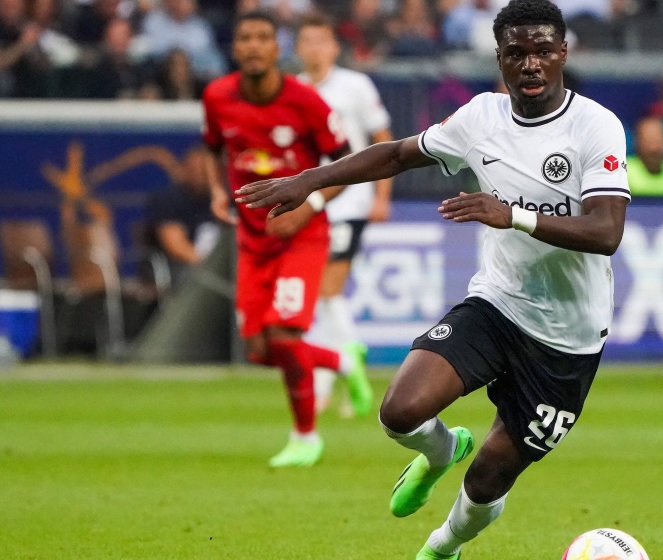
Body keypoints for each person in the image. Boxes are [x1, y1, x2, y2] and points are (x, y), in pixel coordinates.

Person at [235, 1, 630, 557]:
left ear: (563, 53)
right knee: (399, 412)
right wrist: (309, 180)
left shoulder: (595, 126)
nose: (531, 64)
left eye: (543, 51)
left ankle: (442, 548)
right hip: (498, 305)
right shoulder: (480, 119)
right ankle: (442, 451)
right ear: (499, 59)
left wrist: (511, 215)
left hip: (568, 337)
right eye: (516, 53)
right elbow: (397, 155)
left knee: (489, 477)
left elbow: (606, 230)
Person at [201, 10, 370, 468]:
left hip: (302, 236)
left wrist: (309, 206)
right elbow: (212, 148)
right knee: (260, 351)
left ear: (277, 48)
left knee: (284, 334)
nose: (254, 45)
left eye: (263, 37)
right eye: (245, 38)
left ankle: (305, 437)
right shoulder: (217, 96)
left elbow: (346, 166)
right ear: (235, 48)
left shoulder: (306, 102)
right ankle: (341, 362)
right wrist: (218, 192)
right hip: (252, 240)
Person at [294, 13, 392, 416]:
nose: (315, 48)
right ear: (297, 48)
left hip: (348, 198)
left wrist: (382, 195)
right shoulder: (293, 90)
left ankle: (345, 362)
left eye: (322, 40)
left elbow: (383, 140)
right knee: (318, 297)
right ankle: (336, 375)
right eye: (307, 41)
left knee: (326, 290)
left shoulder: (355, 86)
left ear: (334, 47)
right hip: (307, 204)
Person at [145, 145, 220, 284]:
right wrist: (211, 264)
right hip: (180, 268)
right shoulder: (169, 199)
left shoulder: (223, 199)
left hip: (217, 265)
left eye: (205, 171)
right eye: (196, 170)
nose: (200, 175)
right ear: (185, 169)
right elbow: (175, 246)